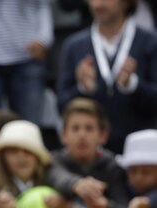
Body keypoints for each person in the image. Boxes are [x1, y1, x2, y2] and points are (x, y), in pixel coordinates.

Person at [56, 0, 157, 155]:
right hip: (92, 158)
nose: (99, 4)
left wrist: (134, 85)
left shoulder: (150, 42)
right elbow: (62, 105)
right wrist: (82, 89)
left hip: (139, 158)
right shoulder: (74, 46)